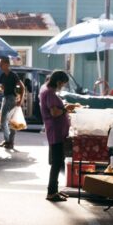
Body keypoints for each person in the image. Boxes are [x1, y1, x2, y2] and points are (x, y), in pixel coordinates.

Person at [40, 70, 76, 202]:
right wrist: (66, 109)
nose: (63, 86)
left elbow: (55, 108)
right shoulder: (49, 92)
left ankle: (54, 190)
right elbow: (55, 112)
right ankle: (51, 192)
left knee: (58, 160)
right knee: (56, 162)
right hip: (55, 130)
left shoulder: (47, 89)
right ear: (59, 82)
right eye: (63, 84)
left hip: (57, 130)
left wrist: (64, 107)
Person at [0, 57, 25, 149]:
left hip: (11, 98)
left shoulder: (13, 75)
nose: (0, 65)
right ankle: (8, 140)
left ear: (7, 64)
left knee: (8, 120)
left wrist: (20, 100)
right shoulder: (2, 75)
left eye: (1, 63)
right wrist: (0, 89)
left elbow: (22, 87)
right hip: (5, 98)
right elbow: (2, 88)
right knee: (4, 120)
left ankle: (9, 141)